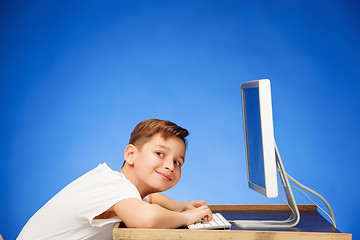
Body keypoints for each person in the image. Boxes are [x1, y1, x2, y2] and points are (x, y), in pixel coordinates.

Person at [17, 119, 212, 240]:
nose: (170, 165)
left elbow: (151, 200)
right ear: (131, 155)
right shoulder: (112, 185)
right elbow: (147, 217)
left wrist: (179, 206)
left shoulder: (125, 189)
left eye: (178, 162)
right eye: (160, 153)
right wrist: (185, 217)